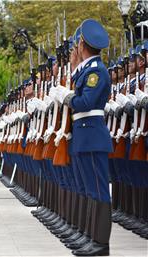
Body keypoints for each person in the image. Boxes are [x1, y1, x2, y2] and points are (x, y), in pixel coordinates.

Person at [53, 19, 112, 256]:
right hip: (84, 136)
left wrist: (66, 96)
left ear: (82, 44)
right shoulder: (87, 70)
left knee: (97, 190)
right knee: (89, 190)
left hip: (92, 136)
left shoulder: (97, 71)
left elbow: (85, 102)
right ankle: (89, 236)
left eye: (78, 44)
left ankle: (100, 243)